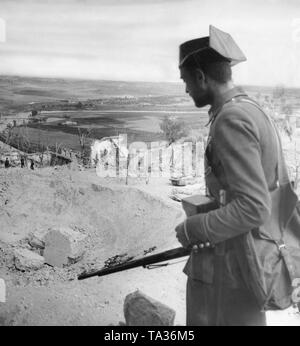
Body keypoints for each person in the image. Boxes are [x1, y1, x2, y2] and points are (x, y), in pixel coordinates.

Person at [175, 25, 281, 326]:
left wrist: (194, 228)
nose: (186, 90)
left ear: (200, 76)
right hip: (241, 265)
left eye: (186, 81)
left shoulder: (231, 119)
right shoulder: (250, 109)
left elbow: (254, 206)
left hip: (229, 274)